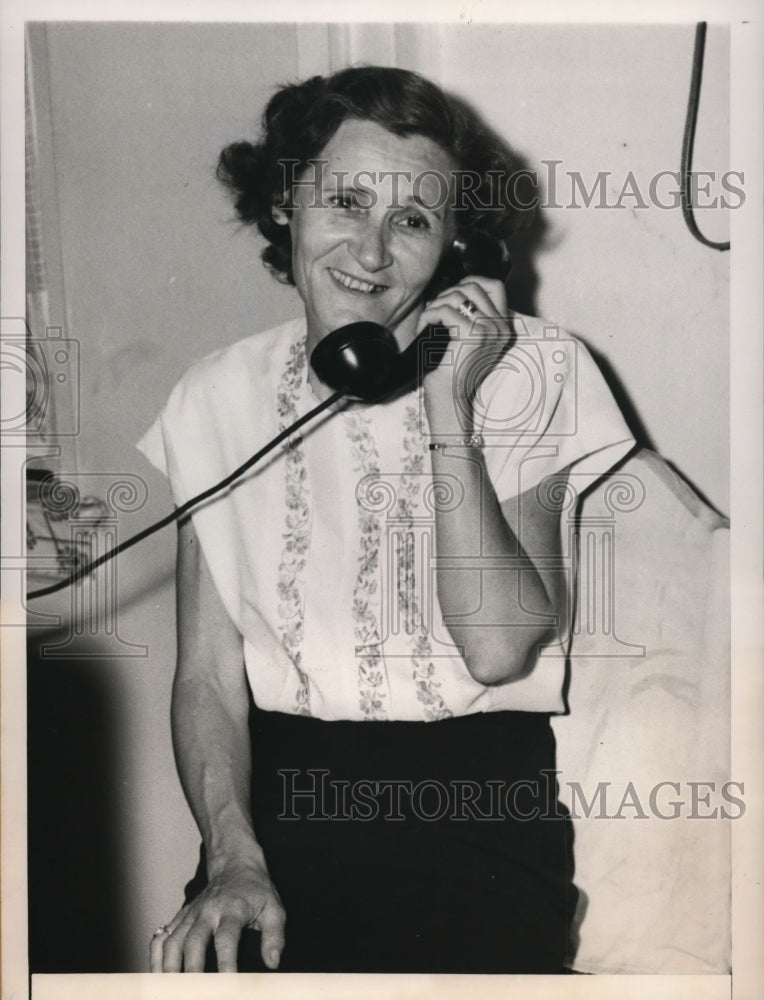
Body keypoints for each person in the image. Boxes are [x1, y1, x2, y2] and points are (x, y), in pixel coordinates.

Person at [138, 65, 635, 974]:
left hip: (476, 810)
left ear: (453, 247)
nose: (371, 254)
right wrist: (232, 856)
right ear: (287, 202)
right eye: (346, 203)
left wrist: (452, 405)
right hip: (279, 812)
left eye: (411, 221)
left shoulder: (539, 372)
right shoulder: (215, 397)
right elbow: (208, 676)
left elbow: (496, 649)